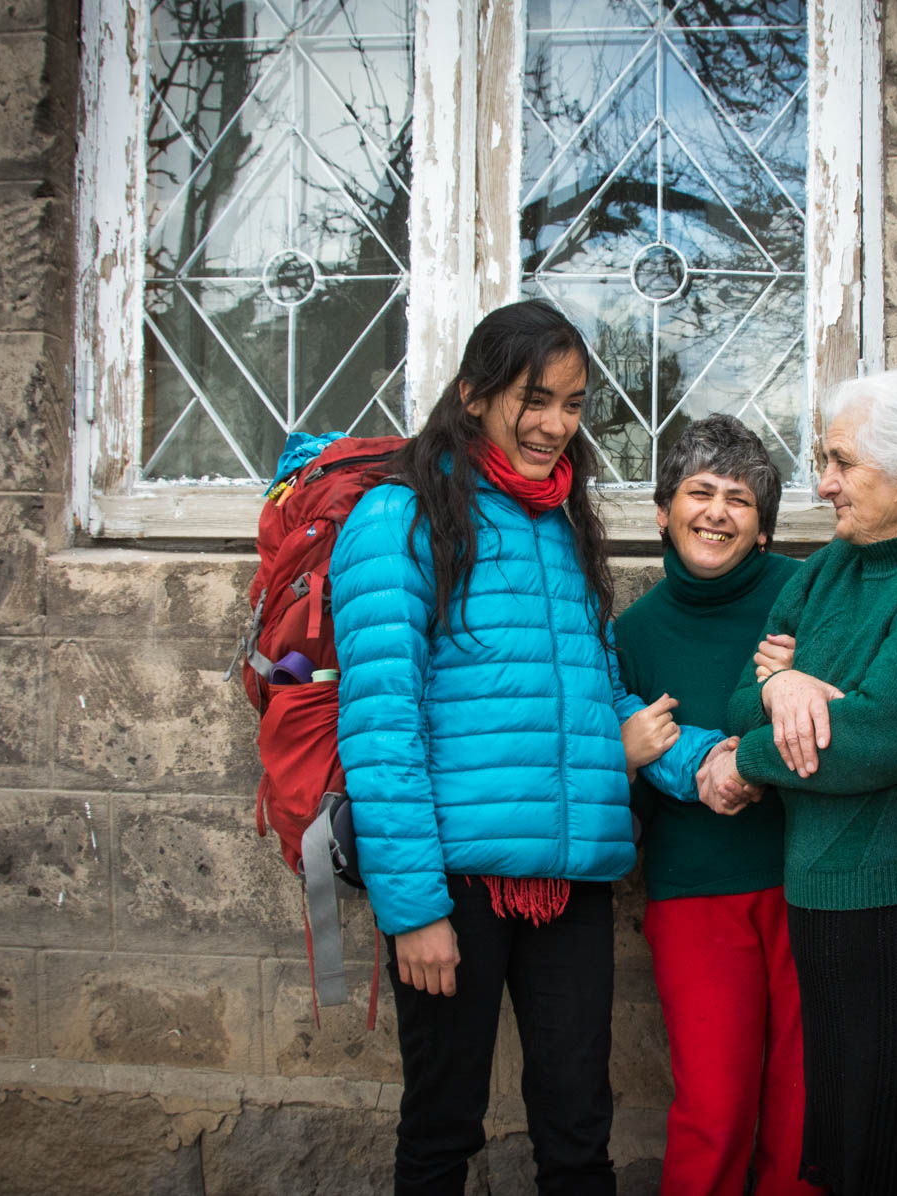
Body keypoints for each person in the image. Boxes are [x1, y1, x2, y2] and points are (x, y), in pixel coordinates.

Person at [331, 298, 706, 1196]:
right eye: (533, 399)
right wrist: (413, 909)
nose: (553, 426)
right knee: (443, 1127)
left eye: (573, 404)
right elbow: (382, 729)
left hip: (568, 878)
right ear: (473, 393)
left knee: (579, 1129)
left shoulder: (562, 524)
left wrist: (700, 761)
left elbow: (596, 697)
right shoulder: (399, 520)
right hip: (456, 886)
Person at [705, 370, 897, 1196]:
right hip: (819, 897)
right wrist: (786, 690)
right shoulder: (825, 570)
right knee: (845, 1138)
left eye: (840, 462)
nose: (821, 482)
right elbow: (736, 698)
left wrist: (743, 757)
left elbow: (879, 737)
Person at [611, 414, 821, 1196]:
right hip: (695, 890)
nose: (717, 512)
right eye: (699, 492)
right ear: (663, 511)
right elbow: (617, 755)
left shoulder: (808, 594)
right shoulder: (630, 633)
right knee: (716, 1107)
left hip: (809, 881)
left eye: (739, 499)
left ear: (762, 528)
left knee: (806, 1108)